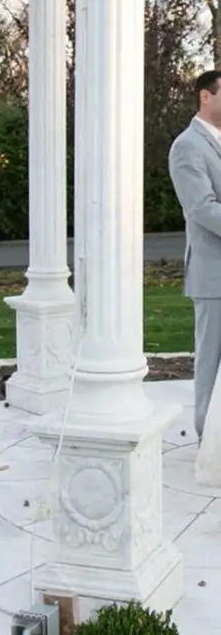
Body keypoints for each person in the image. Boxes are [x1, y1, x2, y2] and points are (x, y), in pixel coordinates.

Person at [168, 70, 221, 481]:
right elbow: (202, 208)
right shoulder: (186, 147)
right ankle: (208, 443)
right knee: (210, 361)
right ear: (206, 96)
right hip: (213, 274)